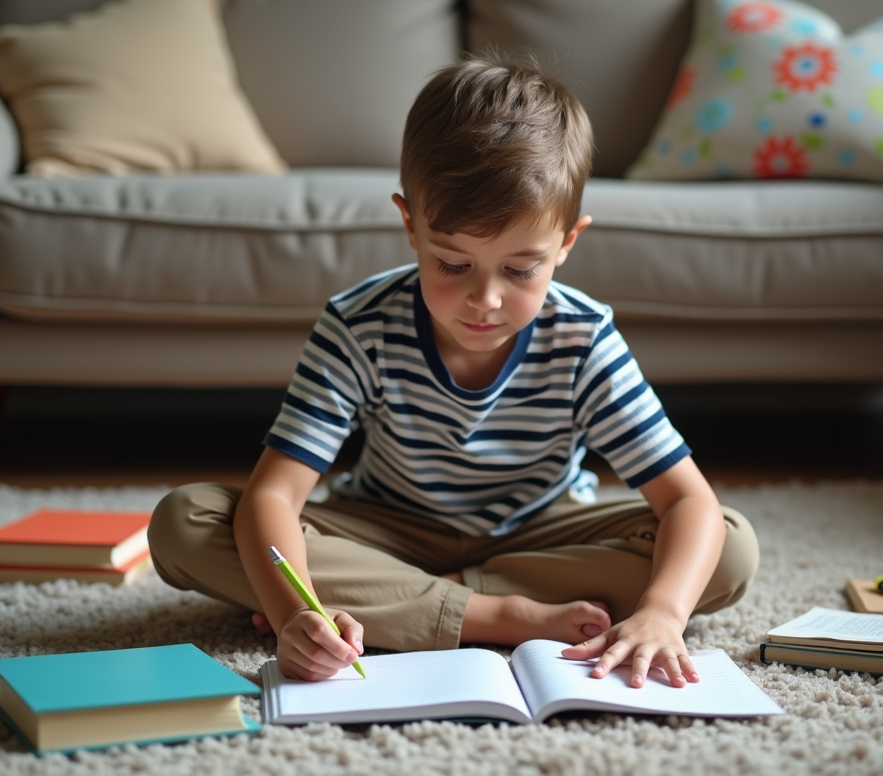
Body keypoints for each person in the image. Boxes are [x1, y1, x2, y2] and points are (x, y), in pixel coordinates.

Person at [148, 56, 759, 690]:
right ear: (410, 225)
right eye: (454, 264)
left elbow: (688, 498)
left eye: (521, 270)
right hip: (389, 532)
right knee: (186, 521)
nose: (486, 300)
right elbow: (276, 495)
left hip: (538, 538)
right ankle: (499, 616)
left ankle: (425, 604)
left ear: (568, 242)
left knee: (729, 549)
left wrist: (662, 614)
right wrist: (296, 612)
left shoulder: (584, 338)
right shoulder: (360, 325)